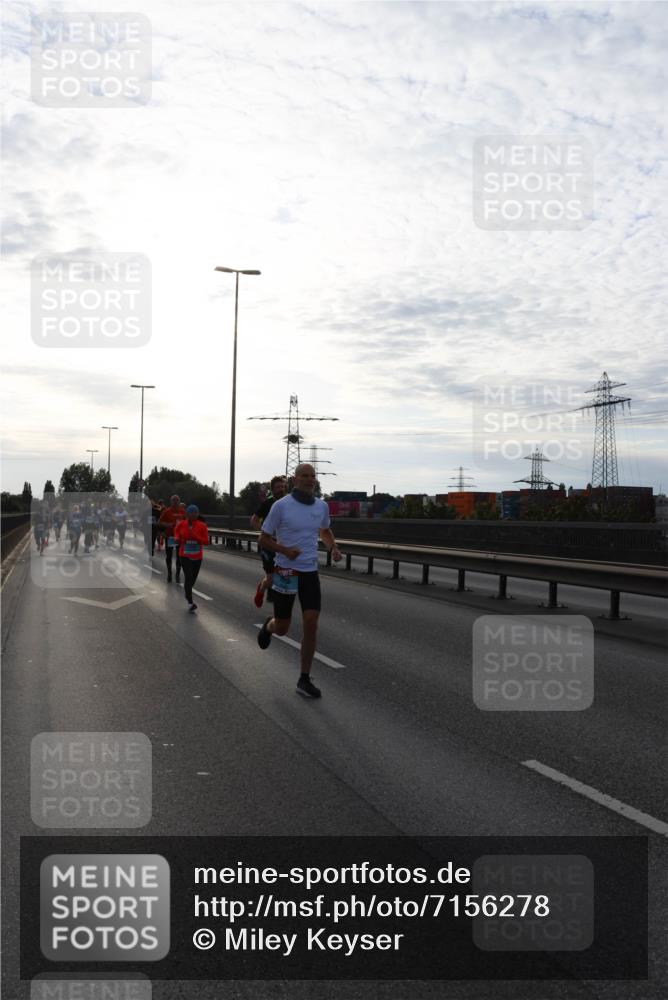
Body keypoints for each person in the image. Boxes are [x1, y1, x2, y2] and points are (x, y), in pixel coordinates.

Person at [256, 463, 342, 699]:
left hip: (309, 572)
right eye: (304, 475)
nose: (309, 479)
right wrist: (283, 549)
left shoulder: (321, 506)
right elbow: (263, 539)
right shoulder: (281, 506)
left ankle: (304, 678)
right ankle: (270, 625)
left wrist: (333, 547)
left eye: (312, 476)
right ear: (295, 479)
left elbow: (324, 531)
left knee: (311, 622)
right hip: (286, 570)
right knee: (283, 628)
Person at [250, 475, 287, 607]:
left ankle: (279, 607)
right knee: (271, 579)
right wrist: (265, 531)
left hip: (284, 545)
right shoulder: (267, 503)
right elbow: (253, 520)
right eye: (278, 487)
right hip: (269, 545)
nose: (281, 489)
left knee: (285, 577)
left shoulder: (290, 502)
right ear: (272, 489)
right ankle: (262, 588)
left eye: (282, 487)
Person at [173, 504, 209, 612]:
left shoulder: (202, 526)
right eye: (191, 513)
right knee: (188, 578)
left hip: (197, 557)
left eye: (196, 513)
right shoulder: (181, 524)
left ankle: (187, 591)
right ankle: (190, 602)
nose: (194, 514)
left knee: (192, 580)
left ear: (198, 514)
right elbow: (176, 532)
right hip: (184, 555)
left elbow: (206, 541)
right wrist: (177, 538)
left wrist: (196, 537)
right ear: (187, 514)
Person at [158, 494, 183, 583]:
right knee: (169, 556)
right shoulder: (167, 511)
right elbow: (159, 523)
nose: (175, 502)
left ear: (179, 501)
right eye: (174, 500)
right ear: (171, 502)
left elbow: (187, 522)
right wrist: (168, 525)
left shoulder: (182, 511)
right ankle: (169, 574)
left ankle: (177, 575)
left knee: (179, 557)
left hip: (179, 537)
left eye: (177, 500)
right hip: (170, 537)